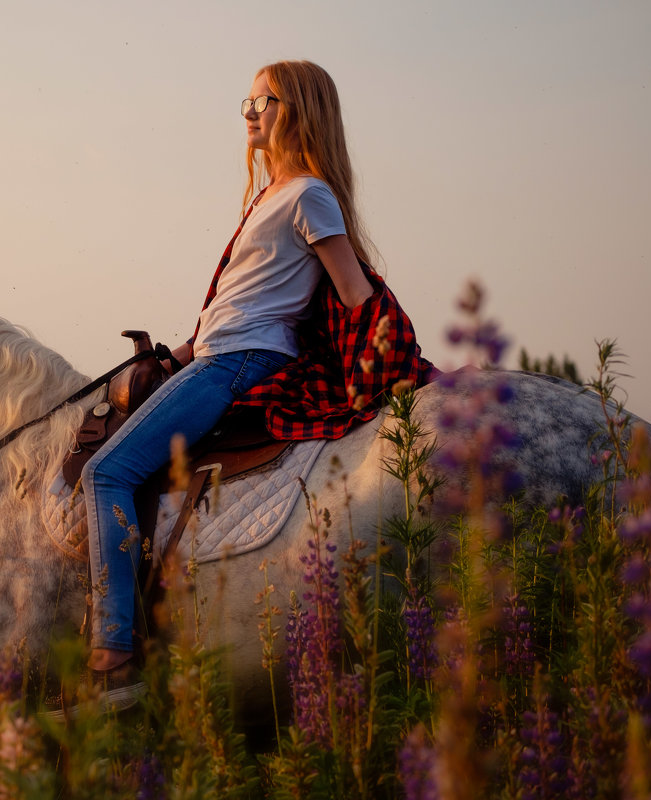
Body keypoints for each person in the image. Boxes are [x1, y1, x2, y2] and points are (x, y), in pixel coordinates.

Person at [78, 60, 433, 712]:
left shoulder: (308, 195)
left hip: (242, 364)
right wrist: (173, 354)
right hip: (216, 354)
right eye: (246, 99)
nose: (248, 111)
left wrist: (394, 358)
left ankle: (115, 656)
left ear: (295, 110)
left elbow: (354, 291)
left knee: (106, 473)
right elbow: (237, 305)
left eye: (261, 100)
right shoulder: (266, 198)